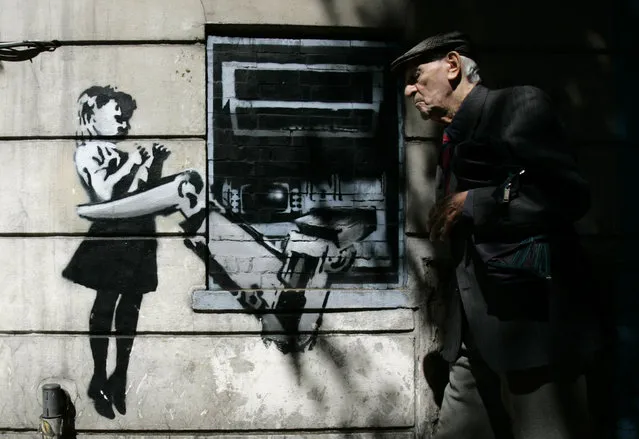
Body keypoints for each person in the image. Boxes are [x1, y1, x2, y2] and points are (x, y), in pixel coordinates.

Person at [391, 32, 602, 438]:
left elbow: (567, 195)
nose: (408, 89)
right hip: (473, 330)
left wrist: (475, 203)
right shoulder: (451, 137)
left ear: (452, 66)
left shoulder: (517, 104)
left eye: (417, 75)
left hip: (532, 330)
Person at [62, 86, 170, 419]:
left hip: (138, 235)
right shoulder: (88, 152)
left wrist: (152, 166)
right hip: (111, 236)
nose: (124, 121)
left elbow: (142, 193)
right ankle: (98, 375)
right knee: (106, 304)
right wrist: (133, 163)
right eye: (116, 114)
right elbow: (104, 192)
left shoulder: (117, 152)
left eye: (126, 116)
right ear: (91, 115)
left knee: (131, 306)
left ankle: (119, 374)